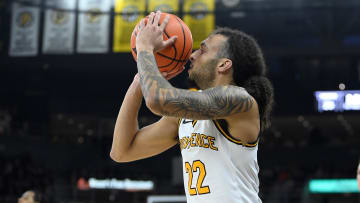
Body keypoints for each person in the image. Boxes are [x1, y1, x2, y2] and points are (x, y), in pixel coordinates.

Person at [110, 10, 274, 203]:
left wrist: (145, 48)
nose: (192, 55)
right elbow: (122, 151)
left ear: (224, 64)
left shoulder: (240, 100)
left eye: (203, 50)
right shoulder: (185, 115)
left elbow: (156, 100)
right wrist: (140, 80)